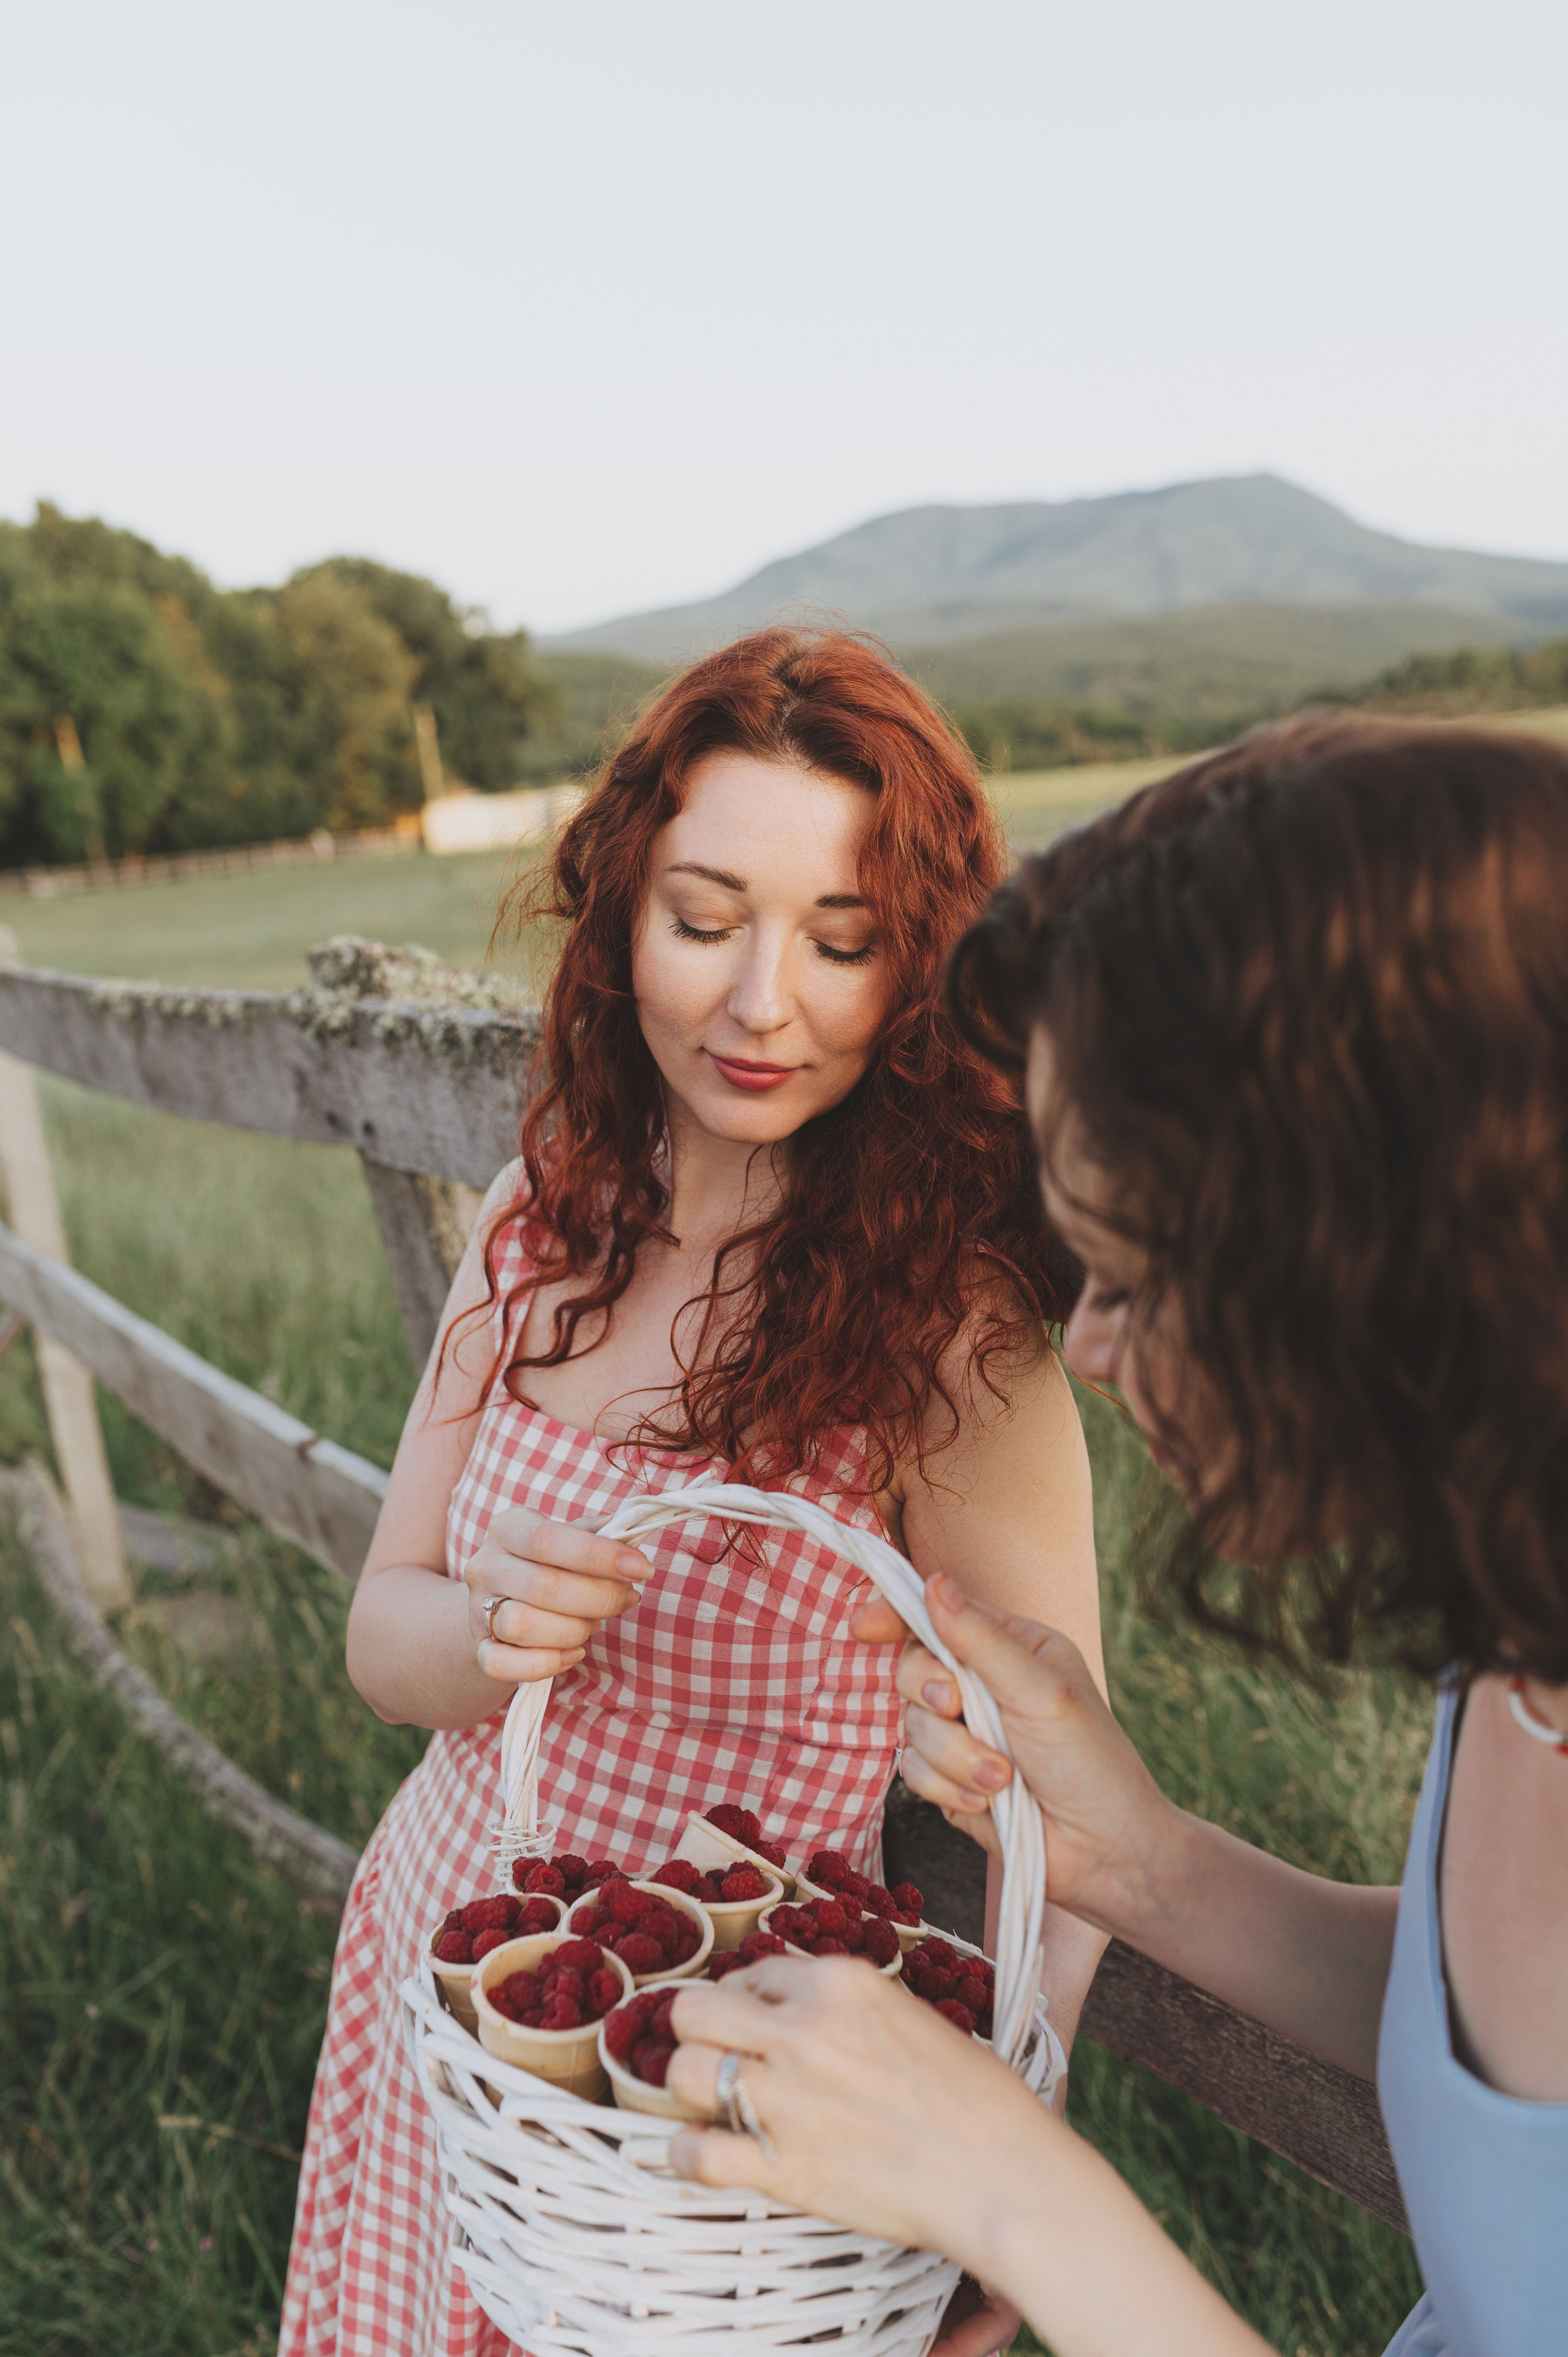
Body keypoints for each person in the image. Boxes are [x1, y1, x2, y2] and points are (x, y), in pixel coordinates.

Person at [666, 715, 1568, 2357]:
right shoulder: (1519, 1637)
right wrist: (1137, 1861)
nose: (1085, 1347)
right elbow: (1501, 2060)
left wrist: (1019, 2195)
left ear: (1399, 1252)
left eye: (1138, 1280)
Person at [278, 628, 1106, 2357]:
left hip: (712, 2092)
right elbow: (383, 1629)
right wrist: (496, 1628)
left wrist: (1000, 2202)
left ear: (921, 970)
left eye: (843, 942)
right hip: (449, 1984)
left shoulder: (950, 1325)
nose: (758, 1006)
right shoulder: (543, 1206)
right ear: (622, 915)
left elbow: (1063, 1813)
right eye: (706, 920)